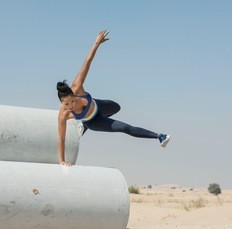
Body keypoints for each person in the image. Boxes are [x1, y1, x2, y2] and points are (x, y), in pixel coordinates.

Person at [57, 30, 170, 166]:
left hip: (99, 106)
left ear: (74, 95)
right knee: (124, 128)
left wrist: (97, 43)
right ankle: (159, 136)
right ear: (62, 104)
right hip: (94, 121)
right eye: (67, 105)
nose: (71, 106)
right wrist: (62, 161)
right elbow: (61, 139)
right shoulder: (63, 115)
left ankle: (83, 125)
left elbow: (87, 62)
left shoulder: (77, 86)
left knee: (117, 107)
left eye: (72, 101)